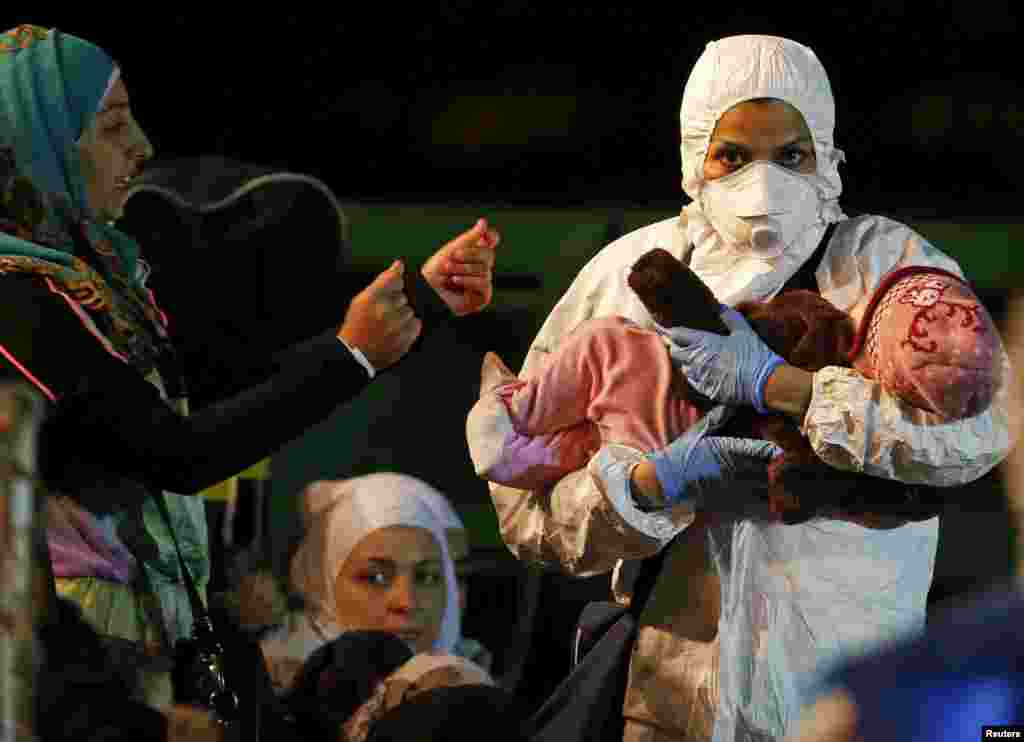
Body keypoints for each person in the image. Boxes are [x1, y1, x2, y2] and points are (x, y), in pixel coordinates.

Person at [483, 34, 1013, 741]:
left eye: (789, 154)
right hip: (664, 704)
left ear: (823, 151)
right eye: (733, 154)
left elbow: (978, 433)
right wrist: (643, 488)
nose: (762, 180)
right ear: (693, 153)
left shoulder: (887, 266)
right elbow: (525, 514)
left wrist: (784, 387)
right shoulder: (626, 277)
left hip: (843, 701)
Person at [0, 23, 499, 707]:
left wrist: (415, 305)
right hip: (66, 672)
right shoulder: (15, 301)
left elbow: (207, 407)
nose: (141, 150)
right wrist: (350, 353)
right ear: (38, 140)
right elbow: (179, 452)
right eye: (112, 126)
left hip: (123, 648)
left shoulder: (87, 280)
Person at [261, 473, 487, 693]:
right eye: (375, 578)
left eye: (427, 577)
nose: (406, 603)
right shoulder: (267, 686)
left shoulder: (475, 682)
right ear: (323, 587)